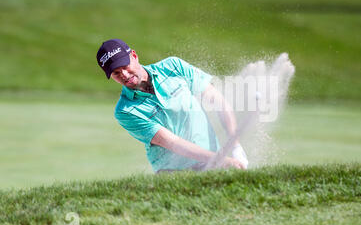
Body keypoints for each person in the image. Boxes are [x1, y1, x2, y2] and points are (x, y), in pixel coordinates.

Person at [96, 39, 248, 173]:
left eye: (125, 65)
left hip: (213, 158)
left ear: (134, 56)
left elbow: (217, 100)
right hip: (174, 172)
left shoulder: (173, 67)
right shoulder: (125, 111)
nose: (124, 74)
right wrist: (219, 159)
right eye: (116, 73)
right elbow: (173, 143)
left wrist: (235, 146)